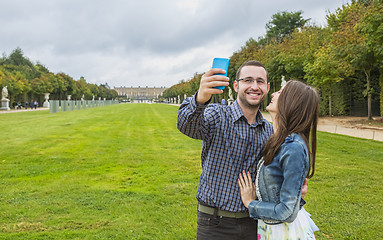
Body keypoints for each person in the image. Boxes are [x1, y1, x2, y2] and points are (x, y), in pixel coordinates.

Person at [177, 60, 307, 239]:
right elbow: (186, 126)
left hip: (254, 223)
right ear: (236, 85)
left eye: (260, 81)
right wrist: (200, 98)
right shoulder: (217, 115)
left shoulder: (270, 132)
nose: (254, 86)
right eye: (248, 80)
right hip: (214, 223)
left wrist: (293, 187)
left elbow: (274, 178)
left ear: (267, 88)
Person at [238, 80, 319, 239]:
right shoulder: (279, 140)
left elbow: (287, 212)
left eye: (281, 92)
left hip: (283, 231)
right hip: (272, 227)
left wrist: (250, 204)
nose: (273, 94)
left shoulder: (293, 147)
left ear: (291, 103)